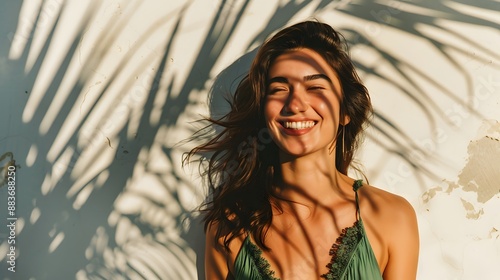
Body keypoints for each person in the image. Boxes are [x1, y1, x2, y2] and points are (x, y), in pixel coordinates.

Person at [185, 20, 419, 279]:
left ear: (345, 112)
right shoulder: (229, 226)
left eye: (315, 87)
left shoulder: (391, 216)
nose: (295, 104)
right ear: (263, 112)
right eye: (279, 89)